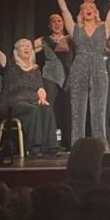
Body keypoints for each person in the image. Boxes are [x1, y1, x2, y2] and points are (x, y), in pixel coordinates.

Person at [51, 0, 110, 146]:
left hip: (99, 70)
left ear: (96, 11)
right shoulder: (75, 29)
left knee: (99, 110)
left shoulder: (104, 27)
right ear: (81, 13)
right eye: (85, 8)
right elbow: (64, 12)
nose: (88, 9)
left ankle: (100, 144)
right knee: (78, 110)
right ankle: (77, 144)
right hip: (79, 70)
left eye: (91, 6)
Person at [0, 39, 58, 157]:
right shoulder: (10, 64)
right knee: (33, 109)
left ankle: (50, 147)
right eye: (23, 46)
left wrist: (42, 92)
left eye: (29, 46)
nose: (26, 48)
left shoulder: (35, 69)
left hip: (32, 101)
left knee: (47, 108)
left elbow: (40, 87)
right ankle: (34, 148)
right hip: (12, 102)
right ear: (16, 51)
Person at [33, 13, 73, 150]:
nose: (57, 23)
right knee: (50, 108)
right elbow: (27, 47)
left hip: (68, 78)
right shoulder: (44, 40)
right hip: (50, 77)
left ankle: (68, 142)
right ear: (49, 25)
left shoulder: (69, 39)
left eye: (59, 21)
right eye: (53, 21)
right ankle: (48, 143)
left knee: (68, 110)